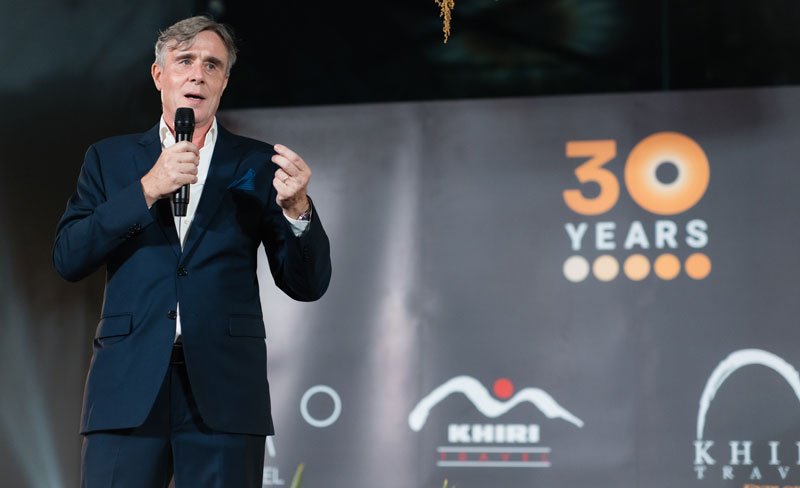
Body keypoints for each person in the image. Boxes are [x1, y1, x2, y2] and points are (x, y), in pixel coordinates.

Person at [53, 15, 332, 487]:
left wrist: (298, 210)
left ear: (225, 81)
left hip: (225, 391)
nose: (197, 75)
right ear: (159, 75)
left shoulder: (257, 163)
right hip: (127, 386)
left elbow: (307, 285)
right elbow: (68, 257)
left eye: (211, 65)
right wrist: (147, 189)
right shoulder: (109, 159)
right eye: (184, 61)